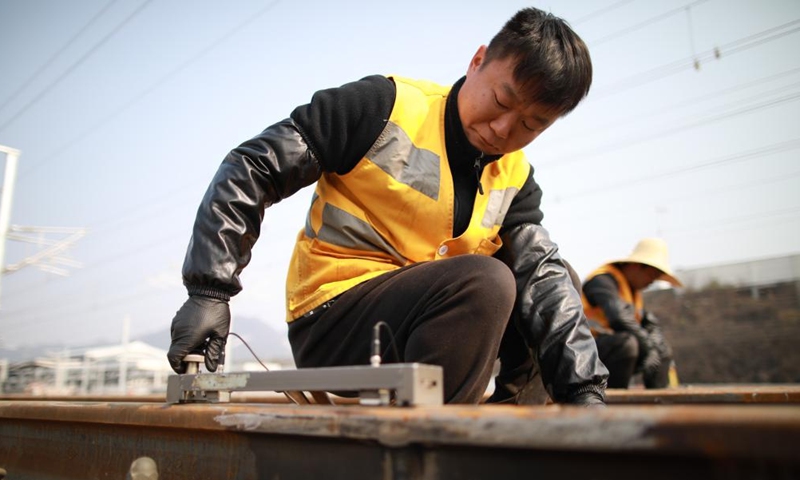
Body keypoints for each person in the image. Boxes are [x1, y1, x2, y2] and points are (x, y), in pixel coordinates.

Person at [167, 7, 608, 406]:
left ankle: (506, 433)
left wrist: (585, 393)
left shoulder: (515, 177)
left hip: (434, 326)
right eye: (501, 102)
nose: (502, 129)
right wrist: (209, 290)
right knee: (487, 279)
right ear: (477, 61)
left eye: (531, 125)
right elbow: (254, 166)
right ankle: (439, 449)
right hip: (334, 320)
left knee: (555, 279)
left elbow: (544, 276)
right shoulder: (384, 108)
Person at [581, 238, 682, 389]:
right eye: (651, 275)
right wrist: (648, 347)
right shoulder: (602, 281)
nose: (652, 281)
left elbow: (642, 323)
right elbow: (618, 318)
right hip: (581, 351)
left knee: (661, 349)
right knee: (627, 344)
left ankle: (656, 402)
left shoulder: (632, 292)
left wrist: (655, 345)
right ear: (636, 266)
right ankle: (613, 401)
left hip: (610, 351)